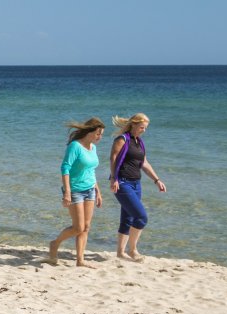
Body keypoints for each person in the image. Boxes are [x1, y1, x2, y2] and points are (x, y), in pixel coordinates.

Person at [48, 117, 105, 268]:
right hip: (75, 190)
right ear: (89, 132)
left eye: (102, 134)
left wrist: (98, 191)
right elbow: (65, 168)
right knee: (78, 227)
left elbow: (91, 171)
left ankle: (80, 260)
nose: (100, 137)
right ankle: (55, 244)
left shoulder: (93, 148)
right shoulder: (75, 146)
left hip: (90, 189)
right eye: (98, 133)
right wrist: (67, 192)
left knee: (86, 227)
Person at [109, 113, 165, 262]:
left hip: (136, 184)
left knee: (127, 218)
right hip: (122, 183)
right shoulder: (122, 139)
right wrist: (114, 178)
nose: (143, 130)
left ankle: (120, 253)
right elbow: (113, 158)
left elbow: (144, 164)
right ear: (133, 124)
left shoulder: (139, 142)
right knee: (141, 217)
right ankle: (133, 250)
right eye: (142, 127)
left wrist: (156, 180)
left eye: (145, 128)